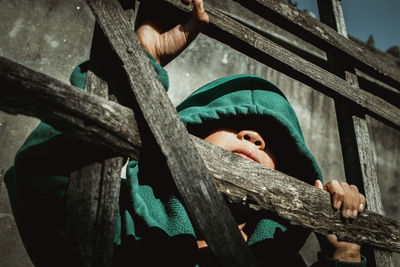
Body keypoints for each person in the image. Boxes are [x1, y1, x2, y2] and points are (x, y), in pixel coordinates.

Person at [5, 0, 367, 266]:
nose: (254, 138)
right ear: (190, 133)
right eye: (233, 124)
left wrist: (345, 255)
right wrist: (141, 60)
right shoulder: (127, 219)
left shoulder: (277, 260)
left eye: (270, 142)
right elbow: (43, 177)